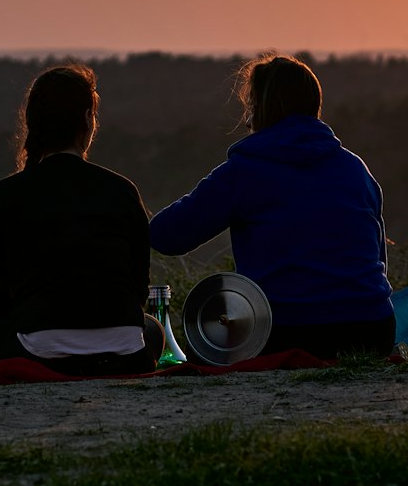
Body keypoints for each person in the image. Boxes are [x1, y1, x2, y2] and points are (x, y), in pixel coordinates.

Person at [149, 53, 394, 360]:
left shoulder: (245, 172)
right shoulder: (356, 169)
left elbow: (167, 236)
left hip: (283, 333)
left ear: (258, 110)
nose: (246, 118)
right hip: (372, 331)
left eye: (248, 106)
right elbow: (378, 260)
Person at [0, 63, 163, 377]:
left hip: (39, 353)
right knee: (150, 329)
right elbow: (137, 292)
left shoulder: (6, 194)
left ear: (34, 125)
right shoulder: (122, 190)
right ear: (87, 119)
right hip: (125, 354)